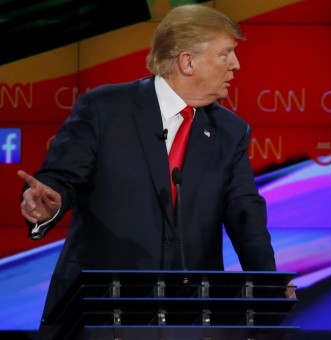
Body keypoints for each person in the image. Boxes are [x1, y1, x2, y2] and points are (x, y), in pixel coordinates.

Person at [18, 4, 294, 338]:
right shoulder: (105, 109)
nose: (236, 65)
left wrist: (268, 285)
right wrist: (48, 204)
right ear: (187, 61)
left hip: (188, 314)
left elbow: (245, 213)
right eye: (226, 54)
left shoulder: (230, 131)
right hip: (100, 308)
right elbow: (60, 180)